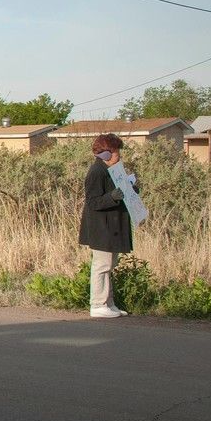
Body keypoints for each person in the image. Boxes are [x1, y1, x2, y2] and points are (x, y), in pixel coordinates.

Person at [78, 133, 134, 318]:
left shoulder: (112, 170)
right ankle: (98, 304)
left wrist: (129, 188)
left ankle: (108, 303)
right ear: (106, 154)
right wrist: (112, 197)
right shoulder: (96, 172)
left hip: (111, 226)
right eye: (116, 152)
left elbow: (116, 192)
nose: (119, 156)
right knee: (101, 265)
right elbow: (93, 202)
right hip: (101, 227)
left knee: (109, 264)